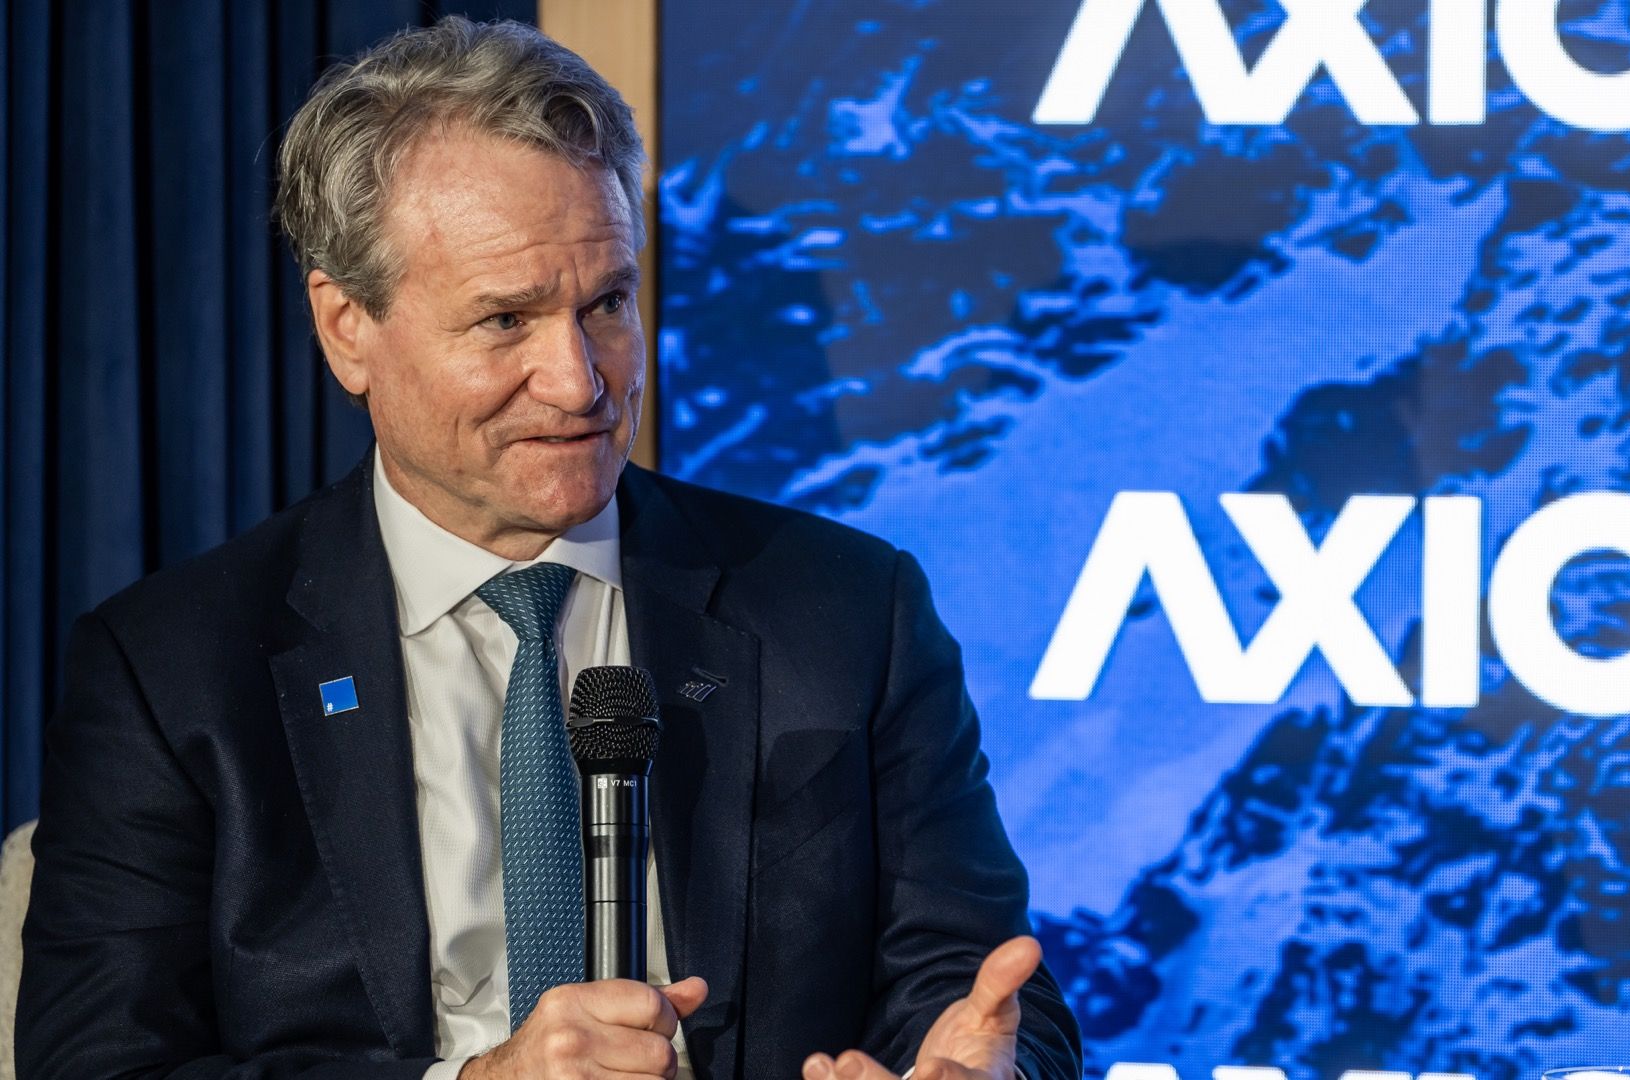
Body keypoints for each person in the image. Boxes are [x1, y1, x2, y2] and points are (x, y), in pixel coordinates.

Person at [15, 17, 1080, 1080]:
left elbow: (988, 991)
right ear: (348, 328)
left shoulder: (848, 611)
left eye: (607, 302)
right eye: (504, 320)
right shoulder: (173, 671)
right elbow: (98, 1064)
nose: (580, 381)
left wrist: (976, 1070)